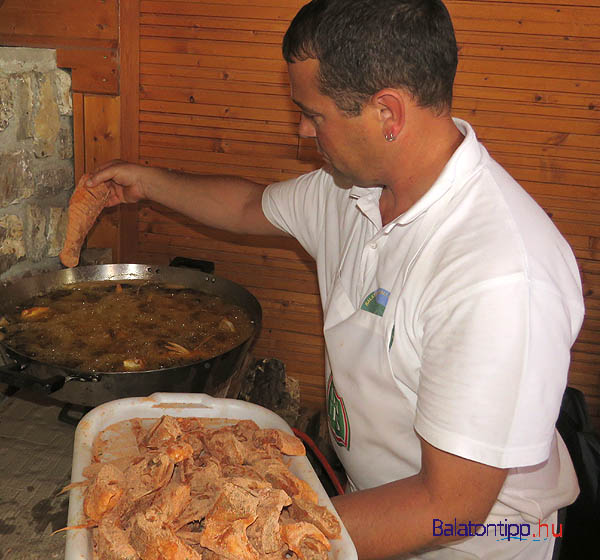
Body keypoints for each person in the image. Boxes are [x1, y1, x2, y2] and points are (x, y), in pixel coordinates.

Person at [84, 0, 584, 558]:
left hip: (476, 541)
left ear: (388, 114)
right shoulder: (354, 190)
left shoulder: (497, 275)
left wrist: (245, 540)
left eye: (314, 114)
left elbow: (450, 510)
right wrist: (146, 182)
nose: (301, 129)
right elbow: (250, 205)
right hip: (371, 501)